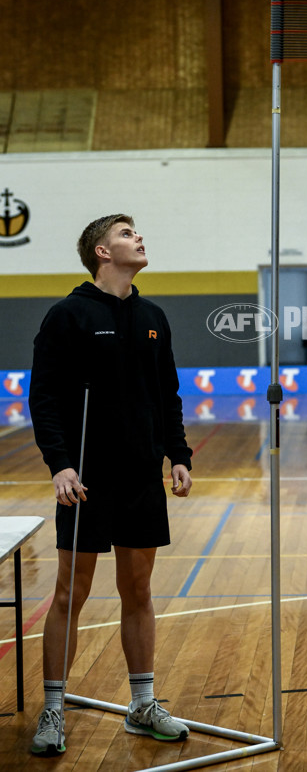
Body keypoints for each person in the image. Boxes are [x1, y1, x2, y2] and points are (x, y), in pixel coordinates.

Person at [28, 214, 193, 756]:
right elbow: (45, 397)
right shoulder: (68, 315)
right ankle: (54, 710)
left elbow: (167, 392)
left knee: (139, 591)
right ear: (101, 251)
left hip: (142, 476)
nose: (138, 237)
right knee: (69, 594)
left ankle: (142, 706)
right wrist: (60, 464)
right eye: (126, 233)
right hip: (85, 480)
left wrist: (177, 455)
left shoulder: (153, 316)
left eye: (138, 231)